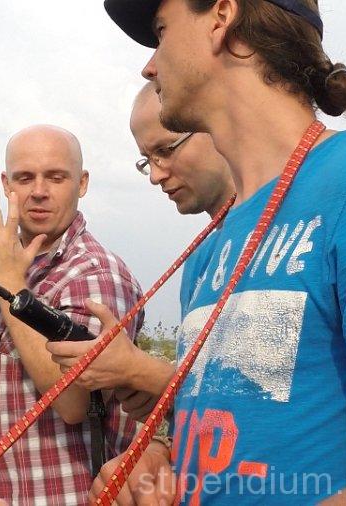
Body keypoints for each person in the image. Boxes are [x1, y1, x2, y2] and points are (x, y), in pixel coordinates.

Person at [54, 1, 346, 503]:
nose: (149, 66)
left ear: (222, 18)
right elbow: (251, 420)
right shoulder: (209, 251)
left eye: (161, 31)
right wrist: (165, 456)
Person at [0, 124, 145, 504]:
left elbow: (74, 401)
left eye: (55, 177)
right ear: (7, 185)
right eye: (25, 178)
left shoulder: (94, 272)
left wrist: (8, 282)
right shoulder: (9, 259)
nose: (38, 191)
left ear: (81, 183)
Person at [49, 83, 236, 424]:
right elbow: (223, 408)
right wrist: (167, 419)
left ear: (219, 126)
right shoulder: (200, 259)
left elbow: (281, 409)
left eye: (166, 149)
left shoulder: (303, 224)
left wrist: (144, 372)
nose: (155, 175)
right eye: (146, 160)